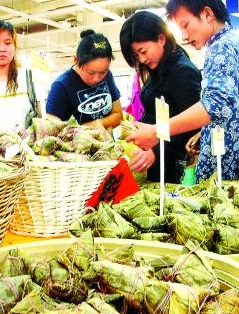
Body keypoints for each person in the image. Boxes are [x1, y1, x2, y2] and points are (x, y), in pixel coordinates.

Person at [128, 1, 239, 183]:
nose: (184, 36)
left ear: (207, 14)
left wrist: (157, 131)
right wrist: (204, 132)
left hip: (226, 164)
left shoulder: (222, 47)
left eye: (185, 25)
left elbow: (217, 103)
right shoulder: (233, 41)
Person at [120, 11, 202, 183]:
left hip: (172, 164)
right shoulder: (158, 69)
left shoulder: (183, 71)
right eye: (136, 56)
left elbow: (192, 126)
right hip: (155, 159)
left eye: (143, 51)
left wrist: (156, 151)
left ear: (162, 39)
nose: (141, 59)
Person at [46, 29, 123, 129]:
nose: (97, 79)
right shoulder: (61, 86)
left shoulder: (108, 76)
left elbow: (118, 115)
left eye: (103, 72)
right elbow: (50, 127)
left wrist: (90, 126)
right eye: (91, 72)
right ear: (76, 61)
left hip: (107, 142)